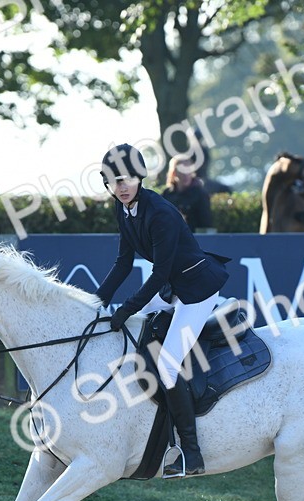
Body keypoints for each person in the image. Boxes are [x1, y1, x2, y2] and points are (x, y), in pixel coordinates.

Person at [95, 143, 229, 477]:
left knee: (168, 367)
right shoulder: (123, 209)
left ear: (139, 177)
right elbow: (123, 263)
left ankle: (191, 452)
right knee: (135, 334)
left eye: (125, 179)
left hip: (197, 291)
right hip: (173, 290)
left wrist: (126, 308)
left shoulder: (161, 213)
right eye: (113, 181)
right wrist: (96, 302)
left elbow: (159, 273)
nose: (121, 187)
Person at [160, 155, 213, 231]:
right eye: (181, 171)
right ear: (174, 173)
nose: (185, 175)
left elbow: (206, 225)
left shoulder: (200, 194)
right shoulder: (166, 195)